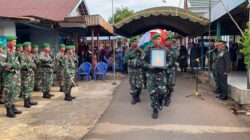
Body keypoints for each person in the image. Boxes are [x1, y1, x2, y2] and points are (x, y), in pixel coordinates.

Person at [141, 33, 171, 119]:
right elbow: (141, 61)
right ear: (153, 40)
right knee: (152, 92)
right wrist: (148, 65)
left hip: (161, 74)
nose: (158, 40)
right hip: (151, 74)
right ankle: (155, 110)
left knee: (163, 91)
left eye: (159, 39)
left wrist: (167, 65)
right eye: (156, 39)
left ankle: (160, 101)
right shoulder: (147, 49)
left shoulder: (165, 49)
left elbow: (170, 60)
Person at [1, 36, 22, 118]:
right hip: (8, 75)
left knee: (15, 91)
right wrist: (11, 66)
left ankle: (13, 106)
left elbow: (17, 62)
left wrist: (17, 65)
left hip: (15, 75)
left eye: (15, 41)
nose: (15, 43)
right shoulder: (4, 51)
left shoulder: (14, 51)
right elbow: (1, 62)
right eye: (13, 41)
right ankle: (8, 109)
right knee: (8, 92)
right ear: (8, 42)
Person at [124, 36, 143, 105]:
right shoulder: (128, 50)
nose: (135, 43)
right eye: (134, 42)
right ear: (131, 43)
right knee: (133, 85)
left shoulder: (140, 50)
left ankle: (138, 95)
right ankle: (134, 98)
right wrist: (134, 51)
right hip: (131, 70)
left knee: (139, 85)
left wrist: (141, 52)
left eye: (136, 41)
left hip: (139, 70)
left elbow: (144, 59)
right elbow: (125, 59)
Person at [20, 42, 38, 108]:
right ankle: (26, 101)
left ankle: (29, 99)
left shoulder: (30, 55)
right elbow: (22, 64)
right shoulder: (22, 55)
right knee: (25, 88)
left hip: (31, 73)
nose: (30, 47)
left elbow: (34, 62)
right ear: (25, 47)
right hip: (25, 74)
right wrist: (30, 65)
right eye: (29, 46)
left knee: (30, 87)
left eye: (30, 46)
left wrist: (34, 64)